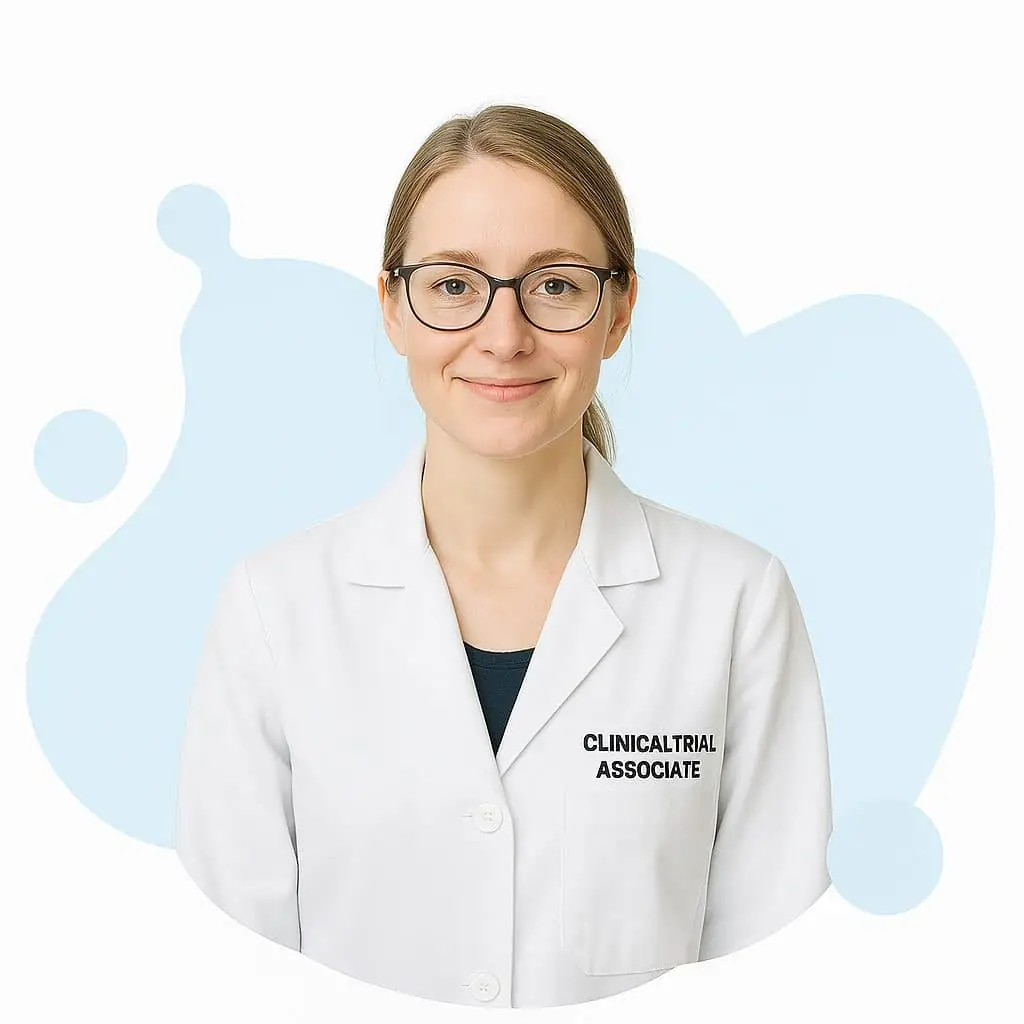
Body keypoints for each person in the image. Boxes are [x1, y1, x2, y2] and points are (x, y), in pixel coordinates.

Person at [174, 102, 832, 1009]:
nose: (504, 334)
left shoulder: (734, 603)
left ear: (619, 310)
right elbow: (228, 974)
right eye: (454, 284)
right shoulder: (275, 608)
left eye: (555, 285)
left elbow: (778, 971)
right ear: (392, 307)